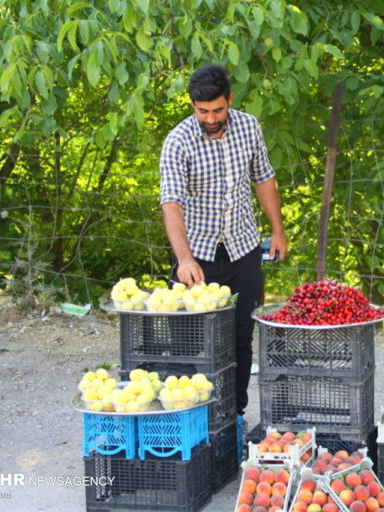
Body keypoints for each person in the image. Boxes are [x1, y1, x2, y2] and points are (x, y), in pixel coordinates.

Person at [159, 64, 288, 416]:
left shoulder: (249, 127)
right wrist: (184, 259)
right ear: (192, 105)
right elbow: (171, 202)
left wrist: (277, 230)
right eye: (202, 111)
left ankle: (234, 416)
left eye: (217, 109)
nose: (211, 117)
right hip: (196, 257)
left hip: (243, 250)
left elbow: (264, 178)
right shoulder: (178, 141)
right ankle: (192, 417)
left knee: (241, 337)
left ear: (230, 100)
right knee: (189, 342)